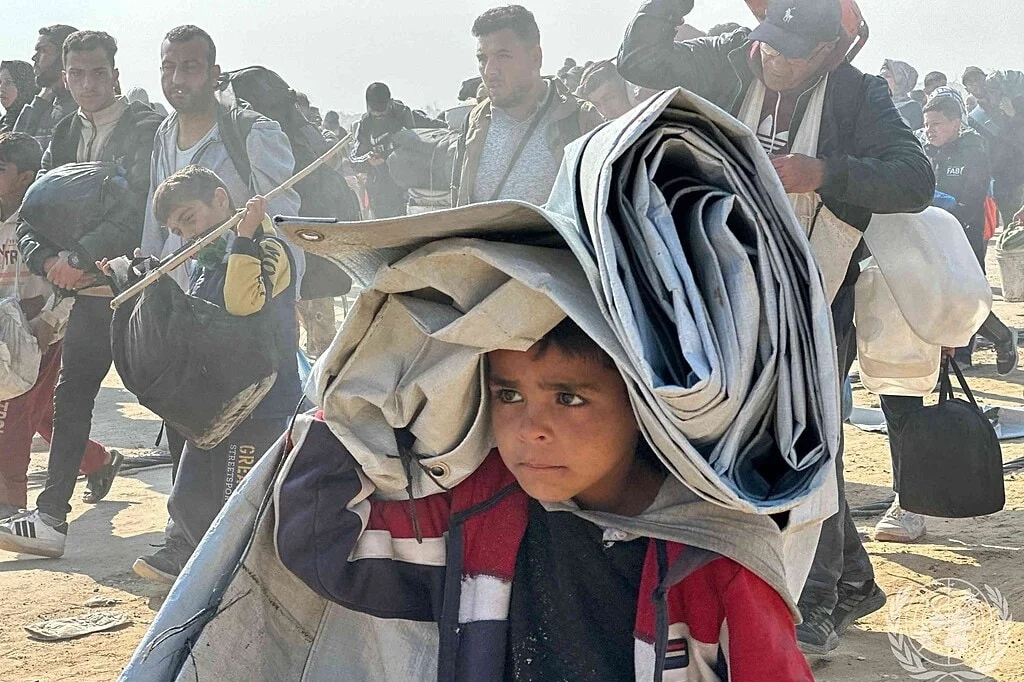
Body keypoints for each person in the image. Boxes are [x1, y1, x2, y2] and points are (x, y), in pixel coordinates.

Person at [617, 0, 935, 655]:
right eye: (769, 41)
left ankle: (816, 598)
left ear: (827, 53)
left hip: (815, 293)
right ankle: (851, 580)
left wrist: (824, 173)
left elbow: (915, 179)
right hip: (719, 284)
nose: (774, 58)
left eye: (793, 50)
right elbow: (640, 59)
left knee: (805, 438)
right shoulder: (731, 57)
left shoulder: (857, 95)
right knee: (761, 433)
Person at [279, 318, 815, 681]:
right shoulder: (483, 507)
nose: (530, 429)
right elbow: (326, 546)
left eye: (568, 397)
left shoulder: (715, 562)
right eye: (508, 395)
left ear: (645, 406)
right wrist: (354, 402)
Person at [0, 31, 164, 559]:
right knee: (71, 400)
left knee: (166, 399)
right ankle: (51, 518)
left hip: (140, 291)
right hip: (84, 296)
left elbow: (137, 210)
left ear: (115, 75)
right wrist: (47, 261)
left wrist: (79, 258)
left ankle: (191, 527)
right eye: (77, 74)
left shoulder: (145, 130)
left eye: (98, 73)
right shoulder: (67, 130)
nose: (88, 84)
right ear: (66, 78)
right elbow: (35, 212)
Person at [122, 166, 300, 584]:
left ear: (221, 199)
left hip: (261, 403)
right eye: (176, 230)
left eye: (189, 219)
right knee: (191, 493)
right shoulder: (207, 260)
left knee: (238, 500)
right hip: (215, 403)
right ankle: (186, 556)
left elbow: (242, 303)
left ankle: (235, 579)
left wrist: (245, 237)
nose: (187, 235)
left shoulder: (269, 246)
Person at [876, 94, 1019, 544]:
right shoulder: (900, 161)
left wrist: (949, 331)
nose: (931, 131)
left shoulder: (961, 160)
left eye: (939, 123)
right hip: (875, 300)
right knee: (894, 400)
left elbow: (964, 205)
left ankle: (910, 501)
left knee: (906, 400)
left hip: (937, 276)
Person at [0, 132, 123, 523]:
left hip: (42, 334)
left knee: (15, 416)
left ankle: (9, 508)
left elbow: (70, 282)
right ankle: (98, 461)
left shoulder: (45, 221)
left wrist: (50, 323)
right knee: (40, 413)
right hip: (6, 335)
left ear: (26, 178)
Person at [141, 25, 302, 293]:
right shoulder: (164, 135)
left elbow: (281, 227)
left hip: (236, 301)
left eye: (190, 67)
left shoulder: (253, 133)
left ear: (214, 74)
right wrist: (147, 286)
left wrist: (284, 301)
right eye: (169, 67)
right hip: (179, 302)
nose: (177, 79)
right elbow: (155, 223)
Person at [452, 5, 604, 207]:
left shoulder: (579, 120)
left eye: (502, 56)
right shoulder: (475, 123)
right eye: (482, 59)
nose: (489, 71)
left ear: (535, 57)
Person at [349, 82, 445, 218]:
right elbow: (354, 159)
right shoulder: (365, 124)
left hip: (409, 188)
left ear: (390, 102)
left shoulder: (405, 115)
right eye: (375, 113)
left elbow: (432, 132)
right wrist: (368, 160)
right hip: (381, 191)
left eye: (382, 112)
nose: (378, 115)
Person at [963, 67, 1024, 224]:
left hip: (1020, 173)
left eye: (978, 79)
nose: (976, 84)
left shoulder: (1016, 104)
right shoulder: (975, 118)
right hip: (1002, 179)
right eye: (970, 82)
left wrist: (1013, 115)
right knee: (1012, 227)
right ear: (967, 89)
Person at [12, 25, 80, 150]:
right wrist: (39, 103)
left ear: (64, 57)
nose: (34, 58)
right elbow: (13, 149)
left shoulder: (83, 107)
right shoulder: (45, 107)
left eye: (43, 50)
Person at [881, 59, 924, 130]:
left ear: (900, 80)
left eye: (887, 76)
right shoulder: (876, 104)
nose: (881, 78)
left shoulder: (912, 107)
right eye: (881, 75)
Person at [0, 61, 39, 133]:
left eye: (8, 82)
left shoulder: (39, 122)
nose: (1, 88)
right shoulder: (2, 122)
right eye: (0, 82)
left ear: (23, 86)